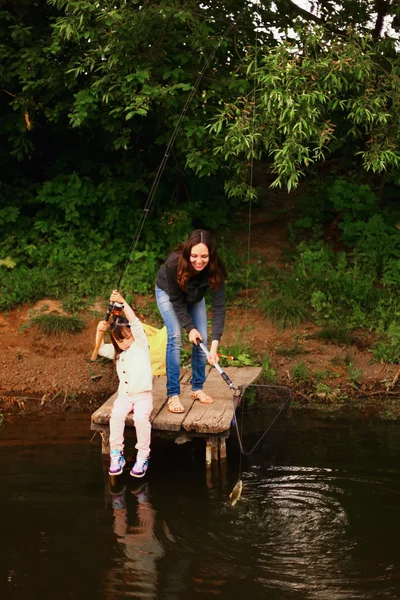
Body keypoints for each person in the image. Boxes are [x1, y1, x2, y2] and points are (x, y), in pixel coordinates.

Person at [155, 229, 228, 413]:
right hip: (169, 293)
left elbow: (219, 308)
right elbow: (177, 302)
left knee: (201, 338)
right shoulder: (174, 263)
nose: (199, 260)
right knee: (175, 335)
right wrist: (189, 327)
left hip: (195, 295)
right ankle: (173, 394)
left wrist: (214, 346)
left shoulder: (215, 269)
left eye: (204, 256)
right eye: (194, 255)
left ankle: (197, 388)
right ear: (188, 252)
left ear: (211, 255)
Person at [96, 289, 153, 477]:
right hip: (125, 396)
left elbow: (135, 322)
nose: (125, 343)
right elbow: (98, 350)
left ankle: (143, 456)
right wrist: (99, 332)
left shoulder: (140, 345)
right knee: (116, 415)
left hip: (143, 396)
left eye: (127, 337)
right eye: (120, 340)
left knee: (140, 419)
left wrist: (122, 301)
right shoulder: (118, 353)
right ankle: (116, 454)